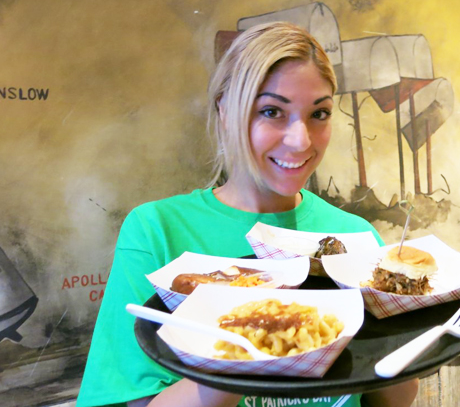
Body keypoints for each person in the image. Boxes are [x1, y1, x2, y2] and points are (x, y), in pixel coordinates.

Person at [77, 21, 419, 407]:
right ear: (225, 110)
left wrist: (413, 332)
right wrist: (248, 341)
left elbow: (386, 398)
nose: (300, 140)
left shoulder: (353, 238)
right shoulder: (157, 230)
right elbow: (121, 399)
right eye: (272, 111)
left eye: (318, 114)